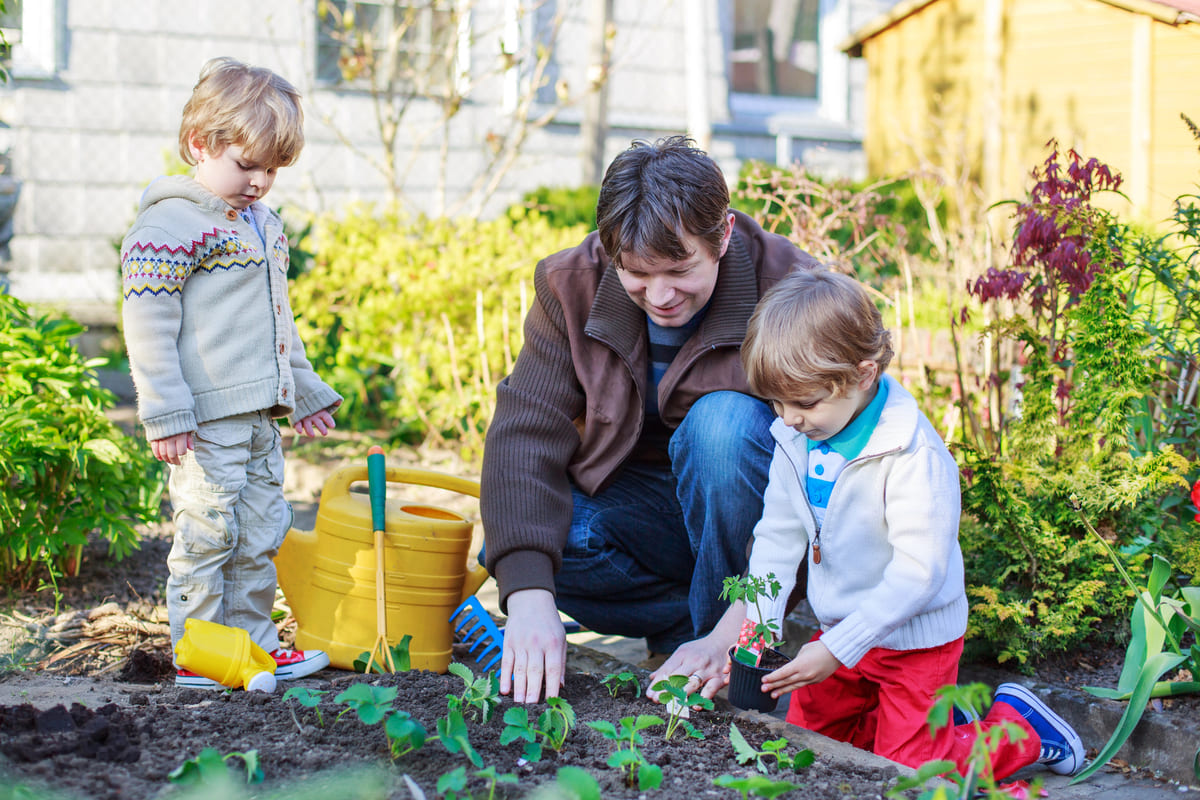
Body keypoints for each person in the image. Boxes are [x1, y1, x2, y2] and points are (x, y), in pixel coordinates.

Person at [668, 268, 1085, 779]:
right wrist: (760, 625)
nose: (787, 418)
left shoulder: (911, 454)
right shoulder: (795, 439)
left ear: (863, 375)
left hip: (914, 642)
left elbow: (919, 574)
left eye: (804, 403)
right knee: (811, 746)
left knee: (911, 772)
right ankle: (929, 726)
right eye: (776, 402)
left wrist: (835, 649)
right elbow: (777, 538)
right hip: (840, 630)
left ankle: (1020, 726)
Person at [479, 136, 819, 703]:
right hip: (644, 514)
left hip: (756, 519)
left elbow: (833, 460)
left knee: (721, 428)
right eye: (637, 272)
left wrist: (754, 610)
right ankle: (688, 630)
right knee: (530, 548)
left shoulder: (792, 287)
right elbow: (525, 433)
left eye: (680, 269)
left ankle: (734, 651)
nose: (660, 295)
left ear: (723, 235)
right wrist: (530, 599)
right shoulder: (570, 285)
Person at [121, 57, 342, 688]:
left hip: (258, 420)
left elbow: (278, 321)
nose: (260, 182)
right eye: (247, 165)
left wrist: (302, 389)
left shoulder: (261, 224)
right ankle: (202, 651)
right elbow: (148, 323)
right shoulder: (168, 225)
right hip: (205, 420)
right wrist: (166, 411)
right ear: (200, 144)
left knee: (259, 532)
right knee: (208, 533)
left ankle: (254, 646)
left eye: (272, 170)